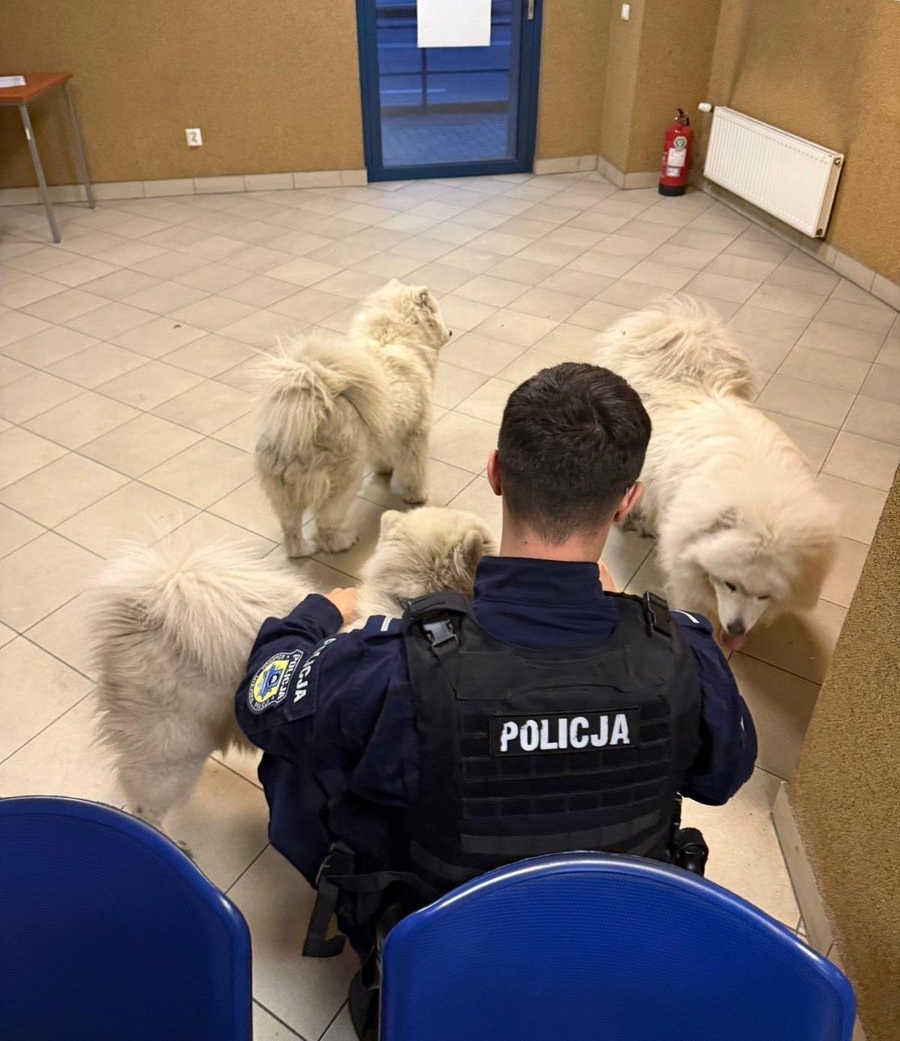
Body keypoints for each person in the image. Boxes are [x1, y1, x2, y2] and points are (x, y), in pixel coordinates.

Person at [236, 362, 757, 1038]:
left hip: (448, 969)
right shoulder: (682, 652)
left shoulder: (392, 669)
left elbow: (261, 700)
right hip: (605, 956)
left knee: (304, 747)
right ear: (627, 501)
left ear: (495, 473)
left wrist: (314, 617)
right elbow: (723, 775)